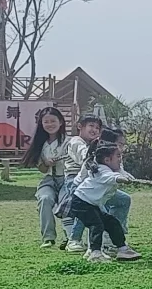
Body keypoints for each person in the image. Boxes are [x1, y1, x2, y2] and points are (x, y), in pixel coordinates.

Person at [62, 115, 130, 251]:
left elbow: (119, 170)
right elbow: (88, 162)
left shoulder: (108, 152)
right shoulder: (82, 145)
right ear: (80, 126)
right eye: (91, 126)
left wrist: (125, 176)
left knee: (123, 199)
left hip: (100, 185)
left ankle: (111, 238)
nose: (94, 130)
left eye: (97, 127)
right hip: (79, 184)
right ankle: (75, 240)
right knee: (91, 210)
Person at [66, 143, 139, 262]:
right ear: (107, 160)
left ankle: (123, 249)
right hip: (81, 202)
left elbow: (120, 172)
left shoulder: (113, 168)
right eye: (118, 156)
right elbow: (108, 177)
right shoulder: (100, 170)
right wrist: (119, 178)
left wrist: (128, 177)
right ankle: (95, 253)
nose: (121, 159)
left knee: (112, 222)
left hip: (92, 204)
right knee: (97, 224)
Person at [20, 106, 81, 249]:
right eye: (46, 122)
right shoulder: (40, 144)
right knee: (45, 199)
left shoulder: (70, 141)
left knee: (67, 203)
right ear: (41, 124)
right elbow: (42, 169)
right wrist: (45, 163)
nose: (49, 125)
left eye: (53, 121)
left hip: (67, 178)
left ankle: (71, 238)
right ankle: (48, 238)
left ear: (60, 122)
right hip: (49, 180)